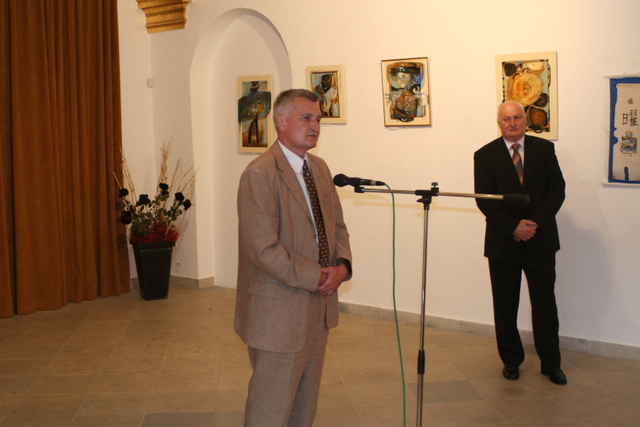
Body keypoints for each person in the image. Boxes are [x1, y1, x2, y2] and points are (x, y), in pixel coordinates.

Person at [235, 88, 352, 426]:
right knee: (270, 409)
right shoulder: (259, 173)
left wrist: (342, 266)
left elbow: (337, 225)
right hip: (278, 312)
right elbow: (262, 249)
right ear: (281, 122)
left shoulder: (319, 168)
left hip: (318, 307)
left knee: (304, 406)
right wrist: (317, 276)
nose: (315, 125)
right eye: (306, 118)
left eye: (318, 119)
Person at [473, 100, 567, 385]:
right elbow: (484, 199)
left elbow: (557, 190)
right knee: (505, 306)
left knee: (545, 305)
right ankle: (511, 361)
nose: (512, 123)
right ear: (498, 122)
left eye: (517, 118)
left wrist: (533, 223)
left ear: (525, 120)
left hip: (540, 240)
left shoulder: (544, 149)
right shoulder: (485, 155)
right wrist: (513, 227)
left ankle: (551, 364)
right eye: (506, 119)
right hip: (503, 242)